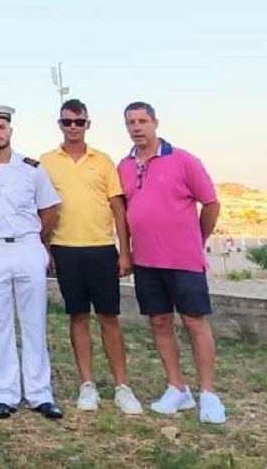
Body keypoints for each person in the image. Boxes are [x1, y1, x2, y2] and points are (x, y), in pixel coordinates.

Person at [117, 102, 224, 424]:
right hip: (147, 260)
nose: (137, 127)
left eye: (142, 121)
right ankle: (177, 388)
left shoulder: (183, 160)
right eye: (131, 122)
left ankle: (208, 393)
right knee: (160, 323)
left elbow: (211, 203)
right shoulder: (123, 166)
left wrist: (196, 239)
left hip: (184, 259)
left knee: (194, 322)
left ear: (155, 123)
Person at [40, 99, 142, 415]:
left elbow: (118, 207)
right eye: (67, 122)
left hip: (100, 248)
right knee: (78, 316)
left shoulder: (104, 160)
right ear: (60, 124)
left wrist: (125, 252)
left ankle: (122, 386)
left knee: (109, 318)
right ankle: (87, 385)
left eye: (79, 122)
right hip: (65, 249)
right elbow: (41, 209)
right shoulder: (45, 162)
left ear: (88, 124)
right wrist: (45, 249)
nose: (73, 127)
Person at [0, 106, 63, 420]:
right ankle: (4, 394)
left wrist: (34, 237)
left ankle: (39, 393)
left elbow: (49, 210)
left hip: (27, 245)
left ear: (10, 131)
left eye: (1, 127)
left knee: (34, 322)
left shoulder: (31, 168)